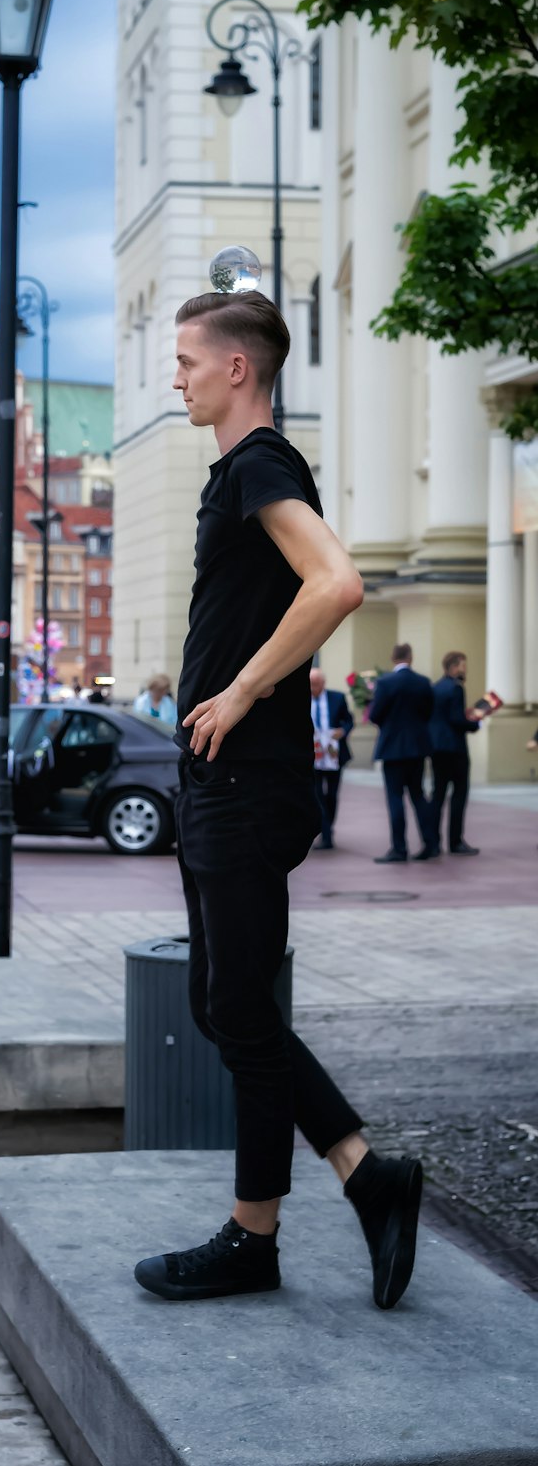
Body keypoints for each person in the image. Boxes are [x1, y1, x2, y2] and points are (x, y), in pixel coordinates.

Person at [133, 288, 421, 1313]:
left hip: (246, 781)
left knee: (239, 1006)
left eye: (185, 359)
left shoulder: (258, 465)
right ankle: (306, 1202)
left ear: (236, 368)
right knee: (227, 1004)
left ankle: (312, 1200)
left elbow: (337, 583)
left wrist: (247, 688)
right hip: (224, 777)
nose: (176, 374)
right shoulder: (237, 474)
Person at [368, 644, 438, 863]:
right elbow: (428, 712)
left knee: (395, 798)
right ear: (411, 657)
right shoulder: (423, 682)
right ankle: (430, 843)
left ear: (393, 657)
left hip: (392, 748)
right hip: (417, 747)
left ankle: (399, 849)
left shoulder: (385, 682)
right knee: (418, 795)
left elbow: (375, 714)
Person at [429, 651, 481, 856]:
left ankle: (433, 841)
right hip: (455, 750)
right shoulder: (456, 688)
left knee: (438, 795)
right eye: (463, 665)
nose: (465, 669)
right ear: (454, 667)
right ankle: (455, 841)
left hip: (436, 749)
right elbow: (456, 720)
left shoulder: (436, 687)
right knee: (459, 794)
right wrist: (476, 723)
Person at [309, 667, 354, 850]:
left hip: (334, 753)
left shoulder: (337, 698)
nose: (313, 688)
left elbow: (349, 721)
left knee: (332, 795)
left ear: (323, 683)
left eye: (316, 684)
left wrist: (342, 731)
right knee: (317, 794)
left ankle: (329, 826)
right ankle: (325, 835)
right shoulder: (302, 698)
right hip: (313, 755)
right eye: (310, 685)